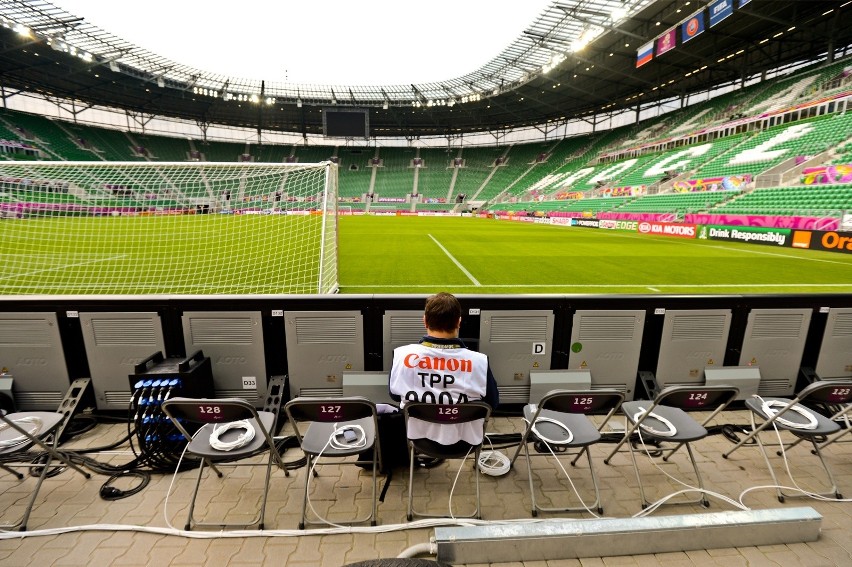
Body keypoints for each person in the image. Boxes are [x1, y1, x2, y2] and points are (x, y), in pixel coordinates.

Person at [389, 292, 498, 448]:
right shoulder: (480, 361)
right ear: (459, 322)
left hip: (419, 439)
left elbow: (394, 395)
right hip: (466, 442)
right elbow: (492, 403)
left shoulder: (401, 354)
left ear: (425, 321)